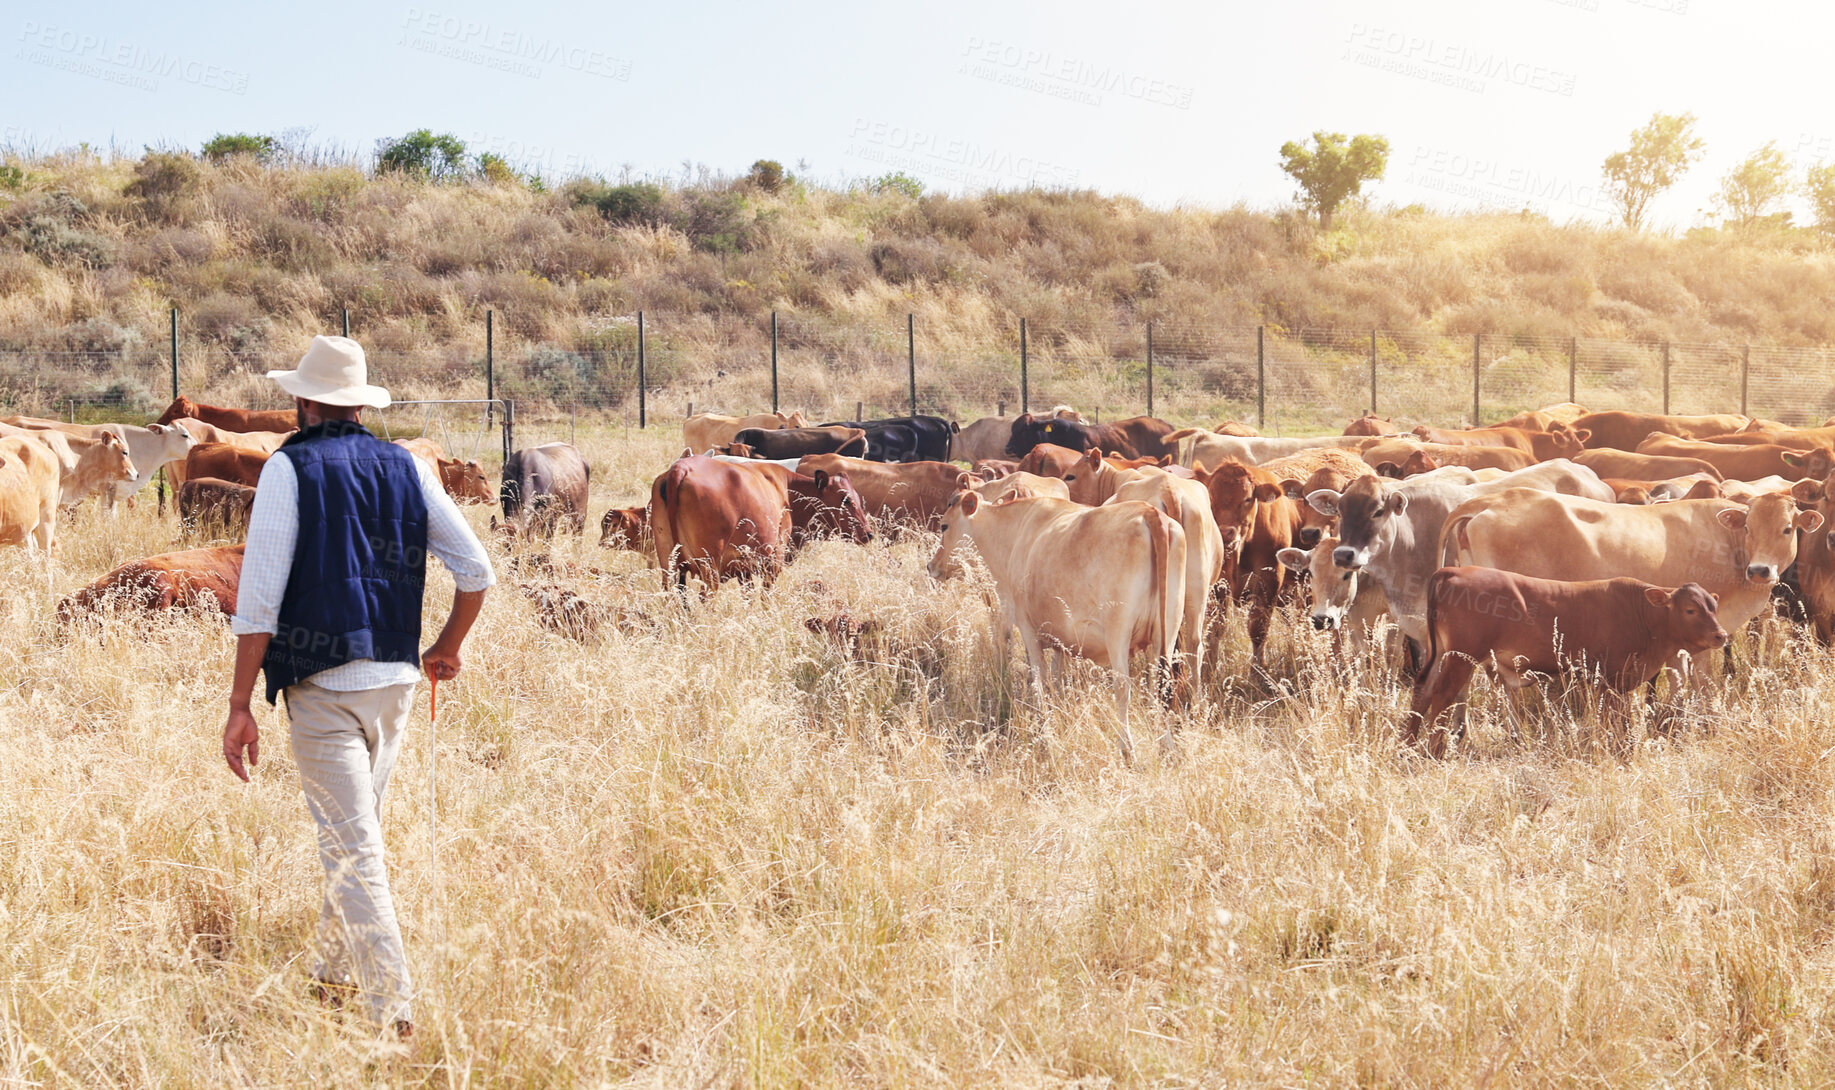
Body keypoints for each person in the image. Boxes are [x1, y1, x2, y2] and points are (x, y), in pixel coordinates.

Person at [220, 335, 494, 1036]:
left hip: (322, 688)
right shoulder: (407, 467)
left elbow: (258, 601)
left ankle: (393, 1010)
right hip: (397, 680)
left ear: (304, 403)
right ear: (360, 404)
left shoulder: (290, 468)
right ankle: (332, 975)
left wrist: (239, 704)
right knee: (356, 834)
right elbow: (476, 571)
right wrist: (445, 648)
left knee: (352, 846)